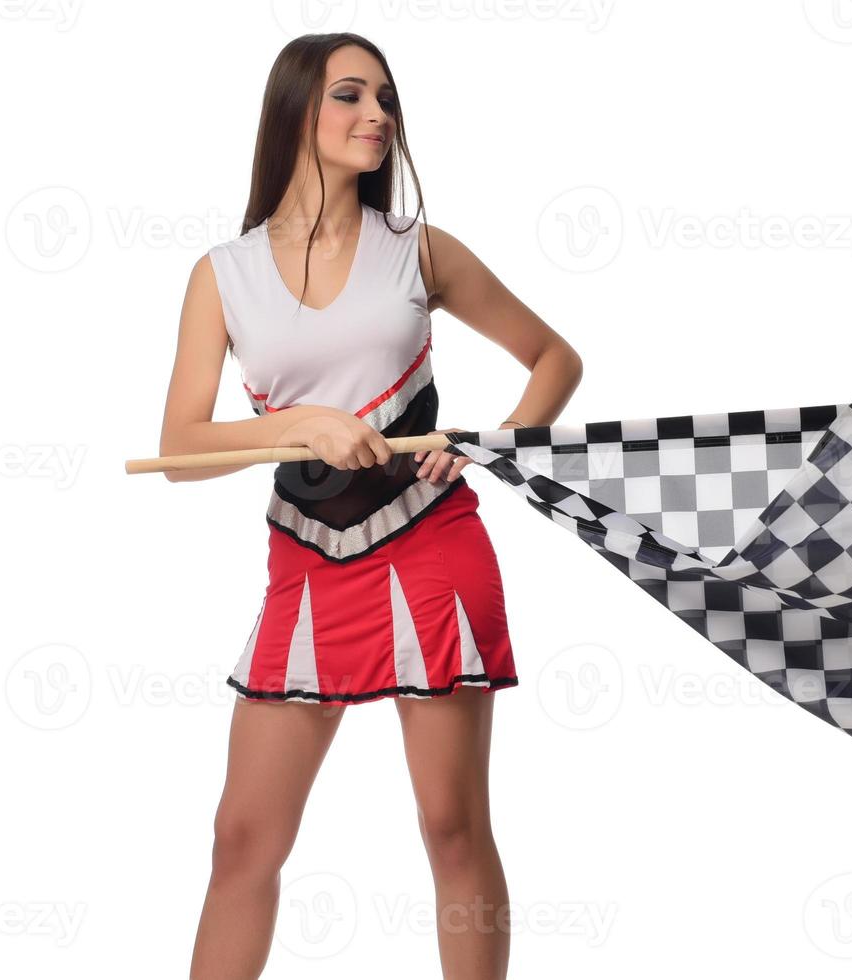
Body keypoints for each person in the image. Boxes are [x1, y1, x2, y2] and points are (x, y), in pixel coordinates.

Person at [156, 33, 581, 980]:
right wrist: (302, 424)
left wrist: (486, 443)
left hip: (431, 547)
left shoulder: (418, 251)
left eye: (385, 98)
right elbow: (180, 447)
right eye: (350, 95)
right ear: (296, 110)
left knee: (451, 827)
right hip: (301, 566)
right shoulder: (223, 275)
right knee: (242, 841)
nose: (377, 114)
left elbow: (556, 359)